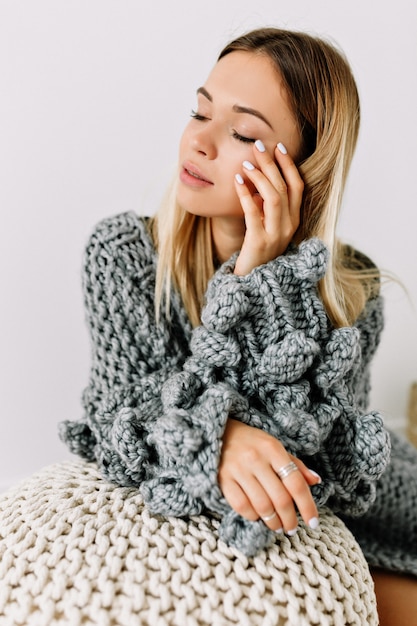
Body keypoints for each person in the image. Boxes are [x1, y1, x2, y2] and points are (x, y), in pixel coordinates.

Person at [59, 28, 417, 625]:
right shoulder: (123, 256)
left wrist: (262, 275)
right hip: (311, 545)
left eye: (243, 132)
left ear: (302, 167)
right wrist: (215, 436)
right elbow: (119, 413)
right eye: (199, 110)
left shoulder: (354, 289)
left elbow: (314, 459)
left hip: (379, 510)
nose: (198, 141)